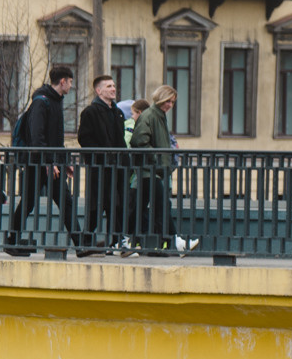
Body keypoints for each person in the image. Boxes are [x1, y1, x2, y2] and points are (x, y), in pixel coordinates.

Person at [4, 65, 80, 256]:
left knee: (60, 201)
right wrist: (49, 162)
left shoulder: (55, 101)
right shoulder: (42, 102)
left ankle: (81, 243)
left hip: (49, 163)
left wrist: (63, 160)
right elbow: (37, 137)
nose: (71, 86)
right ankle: (81, 243)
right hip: (39, 164)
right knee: (57, 201)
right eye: (70, 82)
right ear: (62, 81)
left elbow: (55, 137)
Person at [128, 85, 199, 253]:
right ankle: (175, 241)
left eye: (172, 102)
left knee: (140, 209)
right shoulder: (151, 115)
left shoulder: (157, 116)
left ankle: (125, 240)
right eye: (168, 101)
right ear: (160, 98)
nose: (170, 105)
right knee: (159, 207)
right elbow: (138, 141)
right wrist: (157, 159)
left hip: (152, 170)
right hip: (150, 171)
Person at [76, 75, 127, 254]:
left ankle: (118, 242)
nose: (113, 89)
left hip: (117, 167)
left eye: (114, 85)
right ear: (99, 91)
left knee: (117, 204)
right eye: (108, 86)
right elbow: (84, 138)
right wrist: (100, 155)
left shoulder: (117, 112)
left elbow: (120, 141)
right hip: (99, 167)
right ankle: (88, 241)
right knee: (97, 206)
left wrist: (124, 162)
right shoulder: (90, 112)